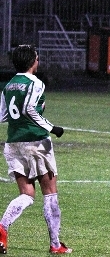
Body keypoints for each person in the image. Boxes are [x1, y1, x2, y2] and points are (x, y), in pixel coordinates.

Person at [0, 45, 72, 254]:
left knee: (27, 194)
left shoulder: (9, 85)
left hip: (14, 144)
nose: (38, 61)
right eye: (37, 58)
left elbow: (3, 115)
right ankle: (55, 244)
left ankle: (2, 228)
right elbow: (30, 109)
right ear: (33, 61)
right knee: (50, 193)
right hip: (37, 143)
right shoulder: (36, 83)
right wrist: (52, 128)